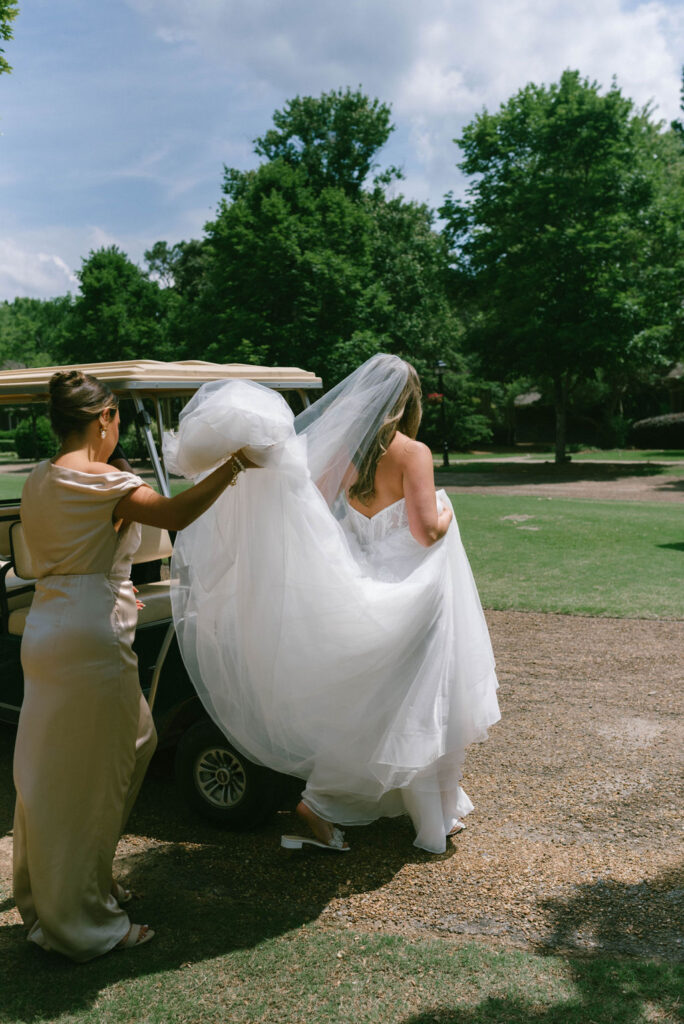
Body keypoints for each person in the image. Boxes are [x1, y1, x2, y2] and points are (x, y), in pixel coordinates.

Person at [169, 354, 500, 855]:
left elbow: (313, 509)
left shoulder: (348, 454)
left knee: (385, 699)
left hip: (363, 577)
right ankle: (332, 802)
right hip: (411, 587)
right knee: (420, 696)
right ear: (408, 404)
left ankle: (420, 806)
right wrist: (449, 512)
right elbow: (425, 531)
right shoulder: (414, 452)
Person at [14, 369, 254, 961]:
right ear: (104, 419)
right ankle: (86, 920)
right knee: (89, 779)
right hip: (88, 636)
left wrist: (111, 584)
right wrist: (235, 466)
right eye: (117, 419)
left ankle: (76, 884)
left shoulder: (39, 478)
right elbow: (173, 516)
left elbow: (69, 555)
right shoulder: (107, 480)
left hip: (49, 625)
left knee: (105, 755)